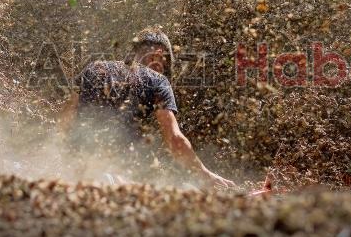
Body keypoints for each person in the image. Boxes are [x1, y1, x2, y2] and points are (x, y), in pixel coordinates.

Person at [57, 27, 235, 189]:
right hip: (111, 176)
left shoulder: (94, 67)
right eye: (164, 62)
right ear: (158, 55)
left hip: (76, 169)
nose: (163, 68)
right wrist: (205, 174)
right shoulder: (158, 80)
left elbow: (65, 119)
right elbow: (174, 138)